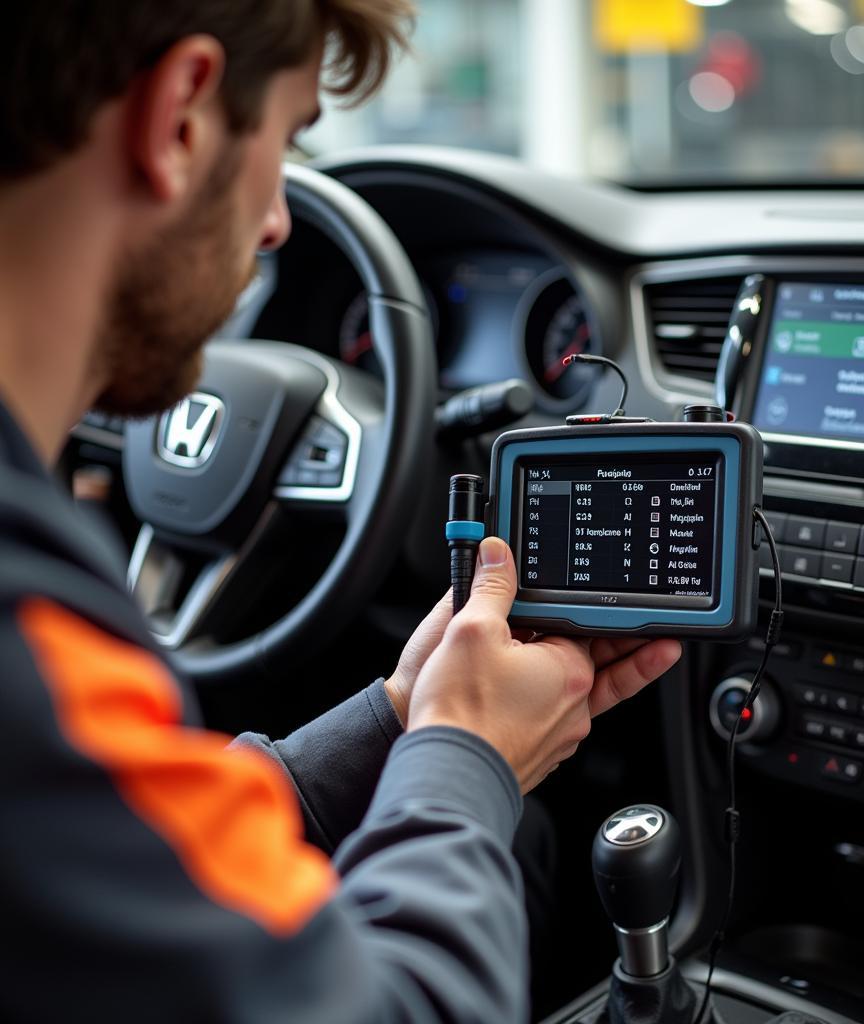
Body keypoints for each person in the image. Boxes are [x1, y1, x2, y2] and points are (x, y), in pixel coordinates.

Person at [0, 3, 683, 1021]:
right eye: (287, 138)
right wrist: (469, 758)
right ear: (179, 118)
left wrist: (399, 718)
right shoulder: (32, 651)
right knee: (532, 841)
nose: (278, 221)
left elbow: (144, 831)